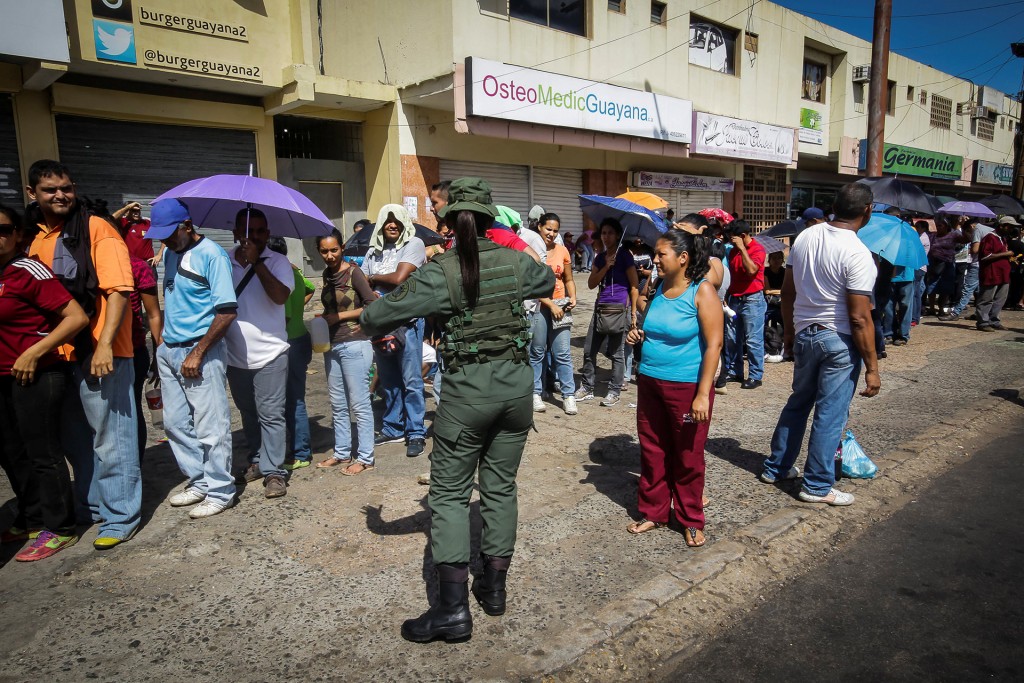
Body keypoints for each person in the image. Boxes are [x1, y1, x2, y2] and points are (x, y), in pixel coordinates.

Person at [360, 177, 554, 643]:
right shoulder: (514, 260)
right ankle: (494, 590)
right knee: (500, 488)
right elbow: (547, 279)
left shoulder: (440, 271)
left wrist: (365, 289)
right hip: (515, 392)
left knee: (448, 496)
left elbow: (375, 318)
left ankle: (451, 611)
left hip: (468, 395)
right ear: (490, 218)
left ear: (446, 220)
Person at [26, 159, 140, 550]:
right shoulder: (36, 236)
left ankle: (120, 517)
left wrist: (105, 344)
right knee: (76, 440)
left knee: (112, 438)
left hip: (100, 351)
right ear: (32, 194)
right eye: (50, 190)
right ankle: (93, 507)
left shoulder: (96, 228)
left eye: (66, 188)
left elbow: (119, 290)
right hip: (59, 355)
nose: (60, 195)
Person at [760, 183, 880, 506]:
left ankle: (776, 467)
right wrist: (873, 367)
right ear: (867, 210)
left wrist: (789, 332)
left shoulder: (805, 237)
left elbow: (788, 291)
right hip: (838, 340)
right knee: (830, 413)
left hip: (804, 333)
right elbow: (860, 318)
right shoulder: (859, 254)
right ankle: (816, 485)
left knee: (799, 402)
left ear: (834, 206)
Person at [0, 205, 89, 561]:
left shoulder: (28, 270)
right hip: (2, 378)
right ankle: (32, 516)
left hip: (36, 375)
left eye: (4, 230)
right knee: (11, 453)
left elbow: (76, 317)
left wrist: (34, 353)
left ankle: (60, 528)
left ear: (18, 235)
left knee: (43, 454)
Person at [625, 230, 722, 548]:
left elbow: (714, 345)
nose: (654, 259)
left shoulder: (701, 291)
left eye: (660, 254)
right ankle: (654, 511)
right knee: (652, 448)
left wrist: (702, 394)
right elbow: (653, 327)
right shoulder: (656, 287)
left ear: (683, 258)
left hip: (687, 386)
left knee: (688, 455)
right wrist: (638, 335)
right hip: (650, 381)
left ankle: (690, 518)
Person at [148, 200, 239, 518]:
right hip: (170, 350)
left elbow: (227, 312)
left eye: (169, 233)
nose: (164, 240)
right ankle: (200, 480)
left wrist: (198, 352)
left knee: (211, 425)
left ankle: (221, 490)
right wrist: (162, 346)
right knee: (174, 424)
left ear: (187, 225)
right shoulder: (170, 253)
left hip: (200, 351)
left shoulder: (212, 255)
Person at [227, 208, 294, 499]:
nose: (253, 236)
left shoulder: (278, 262)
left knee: (271, 414)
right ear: (235, 233)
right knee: (248, 412)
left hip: (271, 353)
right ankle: (257, 459)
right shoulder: (223, 261)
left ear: (267, 234)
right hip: (234, 355)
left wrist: (257, 263)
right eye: (247, 231)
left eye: (259, 231)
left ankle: (274, 471)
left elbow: (280, 296)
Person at [362, 204, 428, 457]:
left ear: (404, 223)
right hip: (381, 323)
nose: (392, 225)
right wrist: (371, 282)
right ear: (380, 224)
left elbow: (400, 278)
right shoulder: (373, 251)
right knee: (389, 380)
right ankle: (392, 427)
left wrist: (374, 278)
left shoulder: (414, 244)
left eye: (397, 220)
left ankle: (416, 431)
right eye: (387, 220)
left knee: (411, 381)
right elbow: (361, 281)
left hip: (408, 322)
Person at [316, 228, 379, 474]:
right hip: (332, 344)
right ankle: (342, 453)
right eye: (324, 251)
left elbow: (371, 305)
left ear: (342, 248)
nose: (330, 256)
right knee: (338, 403)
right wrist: (325, 318)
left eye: (334, 250)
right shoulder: (327, 274)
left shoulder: (354, 273)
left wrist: (339, 317)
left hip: (355, 343)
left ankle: (365, 457)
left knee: (360, 403)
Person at [265, 236, 317, 470]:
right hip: (300, 338)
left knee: (292, 401)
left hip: (290, 342)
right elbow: (311, 288)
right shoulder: (294, 271)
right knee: (293, 398)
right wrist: (299, 308)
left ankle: (300, 452)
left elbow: (283, 317)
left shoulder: (279, 278)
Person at [575, 218, 639, 407]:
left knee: (617, 353)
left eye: (610, 233)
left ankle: (614, 390)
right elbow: (591, 283)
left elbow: (634, 286)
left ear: (618, 235)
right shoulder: (600, 258)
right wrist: (606, 266)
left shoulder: (625, 256)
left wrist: (633, 313)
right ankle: (587, 387)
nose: (606, 236)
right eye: (604, 233)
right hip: (600, 308)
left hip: (619, 309)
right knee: (589, 350)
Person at [528, 213, 578, 415]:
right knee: (537, 351)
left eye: (555, 230)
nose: (552, 233)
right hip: (539, 306)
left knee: (562, 352)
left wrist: (572, 297)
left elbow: (568, 278)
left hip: (560, 305)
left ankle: (569, 395)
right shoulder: (531, 250)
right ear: (539, 227)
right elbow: (531, 284)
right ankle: (535, 393)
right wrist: (550, 305)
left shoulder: (562, 250)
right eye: (548, 229)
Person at [719, 220, 767, 390]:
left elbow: (752, 270)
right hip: (734, 299)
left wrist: (742, 249)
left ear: (742, 236)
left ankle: (755, 375)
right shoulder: (732, 252)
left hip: (752, 300)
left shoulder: (758, 249)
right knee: (732, 338)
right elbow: (732, 274)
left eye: (733, 238)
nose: (730, 241)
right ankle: (735, 371)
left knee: (753, 339)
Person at [940, 219, 992, 322]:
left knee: (967, 290)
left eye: (968, 231)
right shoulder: (989, 229)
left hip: (977, 263)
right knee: (980, 290)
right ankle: (980, 313)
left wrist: (970, 247)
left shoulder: (977, 230)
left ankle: (955, 313)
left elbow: (975, 249)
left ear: (971, 227)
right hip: (986, 264)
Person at [975, 219, 1014, 332]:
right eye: (1009, 227)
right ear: (1001, 226)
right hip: (991, 273)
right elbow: (985, 256)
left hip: (1003, 274)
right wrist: (1005, 254)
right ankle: (983, 322)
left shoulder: (1003, 239)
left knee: (1000, 299)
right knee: (986, 298)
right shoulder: (990, 238)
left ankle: (994, 320)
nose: (1011, 229)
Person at [924, 218, 958, 315]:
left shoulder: (953, 235)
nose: (938, 227)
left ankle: (941, 308)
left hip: (948, 264)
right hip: (933, 264)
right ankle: (931, 308)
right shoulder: (932, 236)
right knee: (931, 286)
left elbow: (965, 240)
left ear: (946, 227)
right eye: (937, 225)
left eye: (940, 225)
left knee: (946, 287)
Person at [912, 221, 930, 327]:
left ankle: (915, 317)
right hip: (917, 267)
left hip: (919, 267)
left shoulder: (923, 238)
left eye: (918, 227)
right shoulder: (919, 236)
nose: (916, 228)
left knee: (915, 293)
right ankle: (914, 316)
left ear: (923, 228)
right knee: (917, 291)